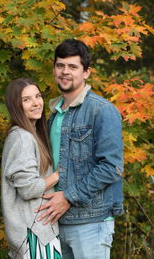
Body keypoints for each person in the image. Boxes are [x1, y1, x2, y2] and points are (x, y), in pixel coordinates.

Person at [36, 39, 124, 259]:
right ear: (54, 69)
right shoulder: (53, 114)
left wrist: (68, 197)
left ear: (86, 72)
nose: (65, 72)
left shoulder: (102, 110)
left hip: (91, 222)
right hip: (56, 222)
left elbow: (111, 167)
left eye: (73, 67)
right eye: (60, 66)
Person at [1, 78, 62, 259]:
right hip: (35, 235)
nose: (36, 103)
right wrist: (59, 174)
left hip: (40, 231)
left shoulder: (32, 135)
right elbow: (28, 189)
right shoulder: (22, 138)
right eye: (26, 100)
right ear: (15, 106)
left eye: (37, 96)